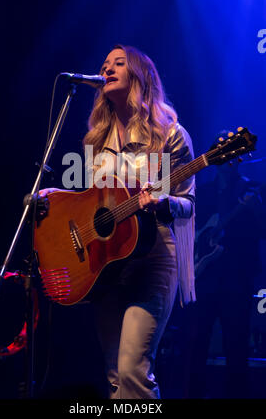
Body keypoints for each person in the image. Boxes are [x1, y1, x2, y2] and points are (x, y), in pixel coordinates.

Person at [40, 44, 196, 399]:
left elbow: (188, 203)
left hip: (152, 254)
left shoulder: (170, 133)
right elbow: (90, 202)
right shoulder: (97, 139)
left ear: (140, 75)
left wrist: (163, 200)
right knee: (113, 375)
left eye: (118, 64)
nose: (107, 69)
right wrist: (55, 198)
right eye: (104, 65)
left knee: (132, 372)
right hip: (106, 261)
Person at [182, 132, 266, 399]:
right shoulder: (201, 192)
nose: (229, 160)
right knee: (195, 347)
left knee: (236, 348)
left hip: (237, 280)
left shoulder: (253, 190)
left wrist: (257, 210)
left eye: (233, 155)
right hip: (203, 279)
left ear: (239, 158)